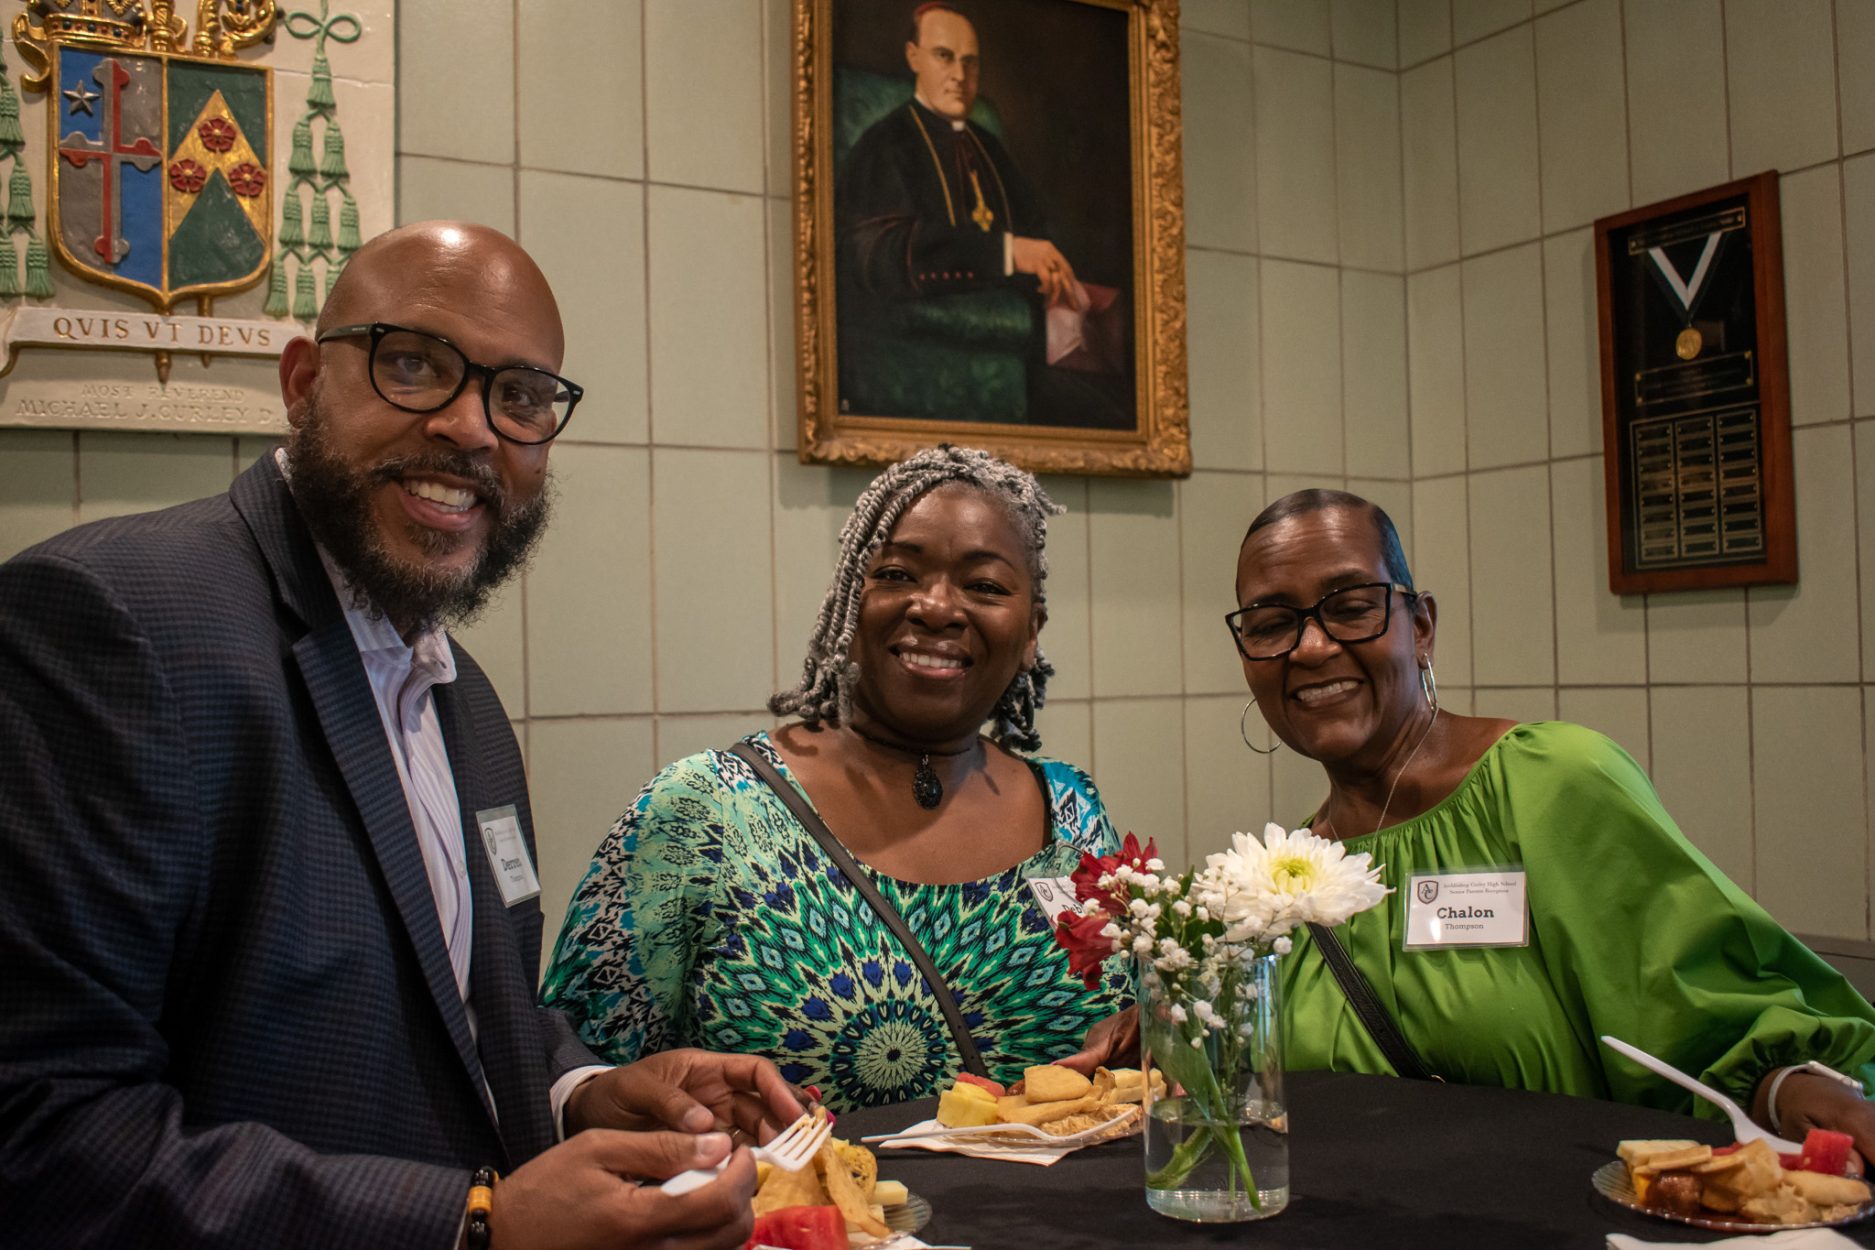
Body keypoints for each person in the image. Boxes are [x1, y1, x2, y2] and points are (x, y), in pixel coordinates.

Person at [0, 222, 799, 1250]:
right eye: (414, 363)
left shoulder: (459, 696)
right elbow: (43, 1131)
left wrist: (581, 1092)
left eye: (520, 396)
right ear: (300, 383)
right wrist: (473, 1221)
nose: (472, 428)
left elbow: (453, 1006)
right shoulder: (115, 623)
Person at [1229, 487, 1875, 1153]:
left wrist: (1792, 1088)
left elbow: (1706, 1018)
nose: (1309, 647)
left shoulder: (1550, 785)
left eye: (1351, 607)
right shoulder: (1284, 882)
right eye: (1271, 623)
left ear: (1419, 626)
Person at [542, 446, 1132, 1111]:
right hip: (793, 1214)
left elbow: (1134, 1034)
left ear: (1031, 632)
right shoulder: (704, 815)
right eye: (897, 574)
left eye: (985, 586)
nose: (936, 607)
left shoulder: (1074, 810)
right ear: (849, 606)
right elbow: (567, 1069)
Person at [839, 2, 1081, 310]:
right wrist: (1006, 253)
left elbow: (1035, 234)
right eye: (944, 56)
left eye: (970, 62)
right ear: (913, 57)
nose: (960, 75)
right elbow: (877, 255)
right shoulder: (886, 143)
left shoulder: (989, 148)